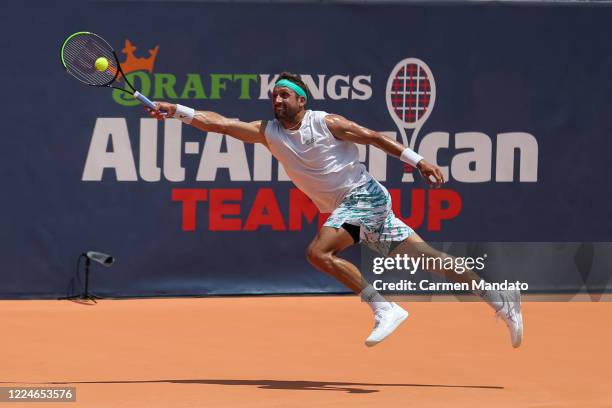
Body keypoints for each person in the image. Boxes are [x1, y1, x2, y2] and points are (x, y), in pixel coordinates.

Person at [146, 72, 523, 348]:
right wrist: (177, 110)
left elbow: (375, 137)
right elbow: (223, 125)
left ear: (301, 101)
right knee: (430, 259)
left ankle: (385, 307)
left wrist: (418, 159)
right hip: (356, 208)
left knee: (318, 252)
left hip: (364, 198)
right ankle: (500, 298)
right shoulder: (269, 132)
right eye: (273, 96)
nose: (277, 101)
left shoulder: (326, 123)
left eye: (284, 96)